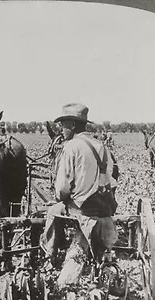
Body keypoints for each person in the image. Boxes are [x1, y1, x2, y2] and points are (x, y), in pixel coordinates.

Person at [40, 103, 118, 279]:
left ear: (73, 125)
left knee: (53, 211)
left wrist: (61, 198)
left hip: (82, 209)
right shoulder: (103, 147)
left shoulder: (72, 147)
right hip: (105, 207)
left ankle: (50, 254)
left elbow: (62, 188)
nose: (62, 130)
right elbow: (110, 178)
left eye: (63, 125)